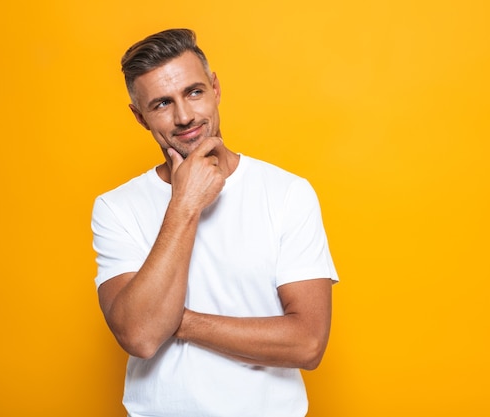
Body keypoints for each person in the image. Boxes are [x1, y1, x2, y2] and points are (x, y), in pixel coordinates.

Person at [91, 28, 338, 417]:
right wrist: (185, 204)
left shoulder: (287, 192)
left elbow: (307, 344)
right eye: (161, 104)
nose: (184, 116)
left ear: (215, 88)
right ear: (139, 116)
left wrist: (174, 320)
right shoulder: (116, 208)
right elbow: (139, 337)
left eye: (193, 92)